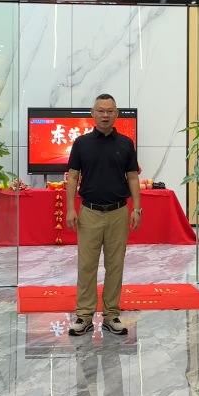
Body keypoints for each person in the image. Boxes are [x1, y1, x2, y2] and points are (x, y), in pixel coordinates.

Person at [66, 94, 141, 336]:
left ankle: (111, 315)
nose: (105, 115)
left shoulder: (126, 144)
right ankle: (84, 316)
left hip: (118, 212)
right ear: (93, 113)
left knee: (115, 265)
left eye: (110, 111)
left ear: (116, 114)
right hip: (89, 212)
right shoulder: (81, 144)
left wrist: (136, 208)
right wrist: (70, 208)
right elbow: (73, 177)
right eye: (101, 110)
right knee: (86, 266)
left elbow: (132, 177)